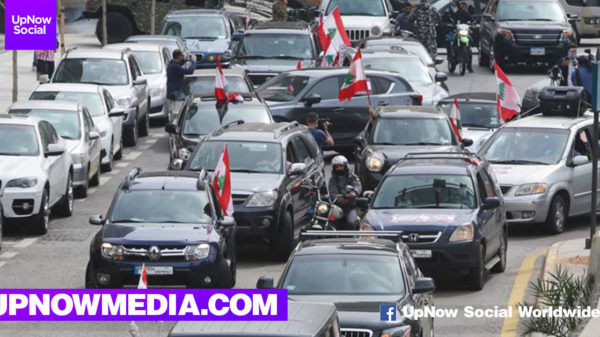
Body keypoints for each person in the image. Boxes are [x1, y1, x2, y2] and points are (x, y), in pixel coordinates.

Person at [328, 155, 362, 228]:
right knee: (329, 221)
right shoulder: (332, 179)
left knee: (351, 222)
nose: (339, 168)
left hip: (351, 207)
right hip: (336, 207)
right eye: (336, 167)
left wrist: (354, 192)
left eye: (341, 166)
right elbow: (332, 192)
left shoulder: (352, 177)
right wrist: (339, 198)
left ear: (346, 166)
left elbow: (358, 186)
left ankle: (352, 237)